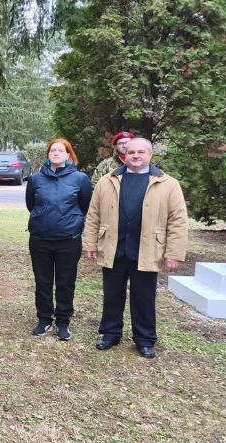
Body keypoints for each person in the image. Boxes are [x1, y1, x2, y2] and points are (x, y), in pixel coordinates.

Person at [83, 137, 188, 358]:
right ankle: (110, 334)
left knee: (144, 298)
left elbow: (178, 221)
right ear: (124, 155)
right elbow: (93, 216)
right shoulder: (107, 181)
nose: (136, 156)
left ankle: (145, 339)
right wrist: (90, 244)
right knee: (112, 295)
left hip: (147, 251)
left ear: (150, 155)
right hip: (114, 249)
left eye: (141, 152)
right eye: (131, 152)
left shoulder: (168, 184)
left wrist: (174, 253)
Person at [26, 139, 92, 340]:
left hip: (68, 240)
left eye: (60, 150)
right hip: (40, 239)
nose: (56, 153)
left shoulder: (80, 179)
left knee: (65, 282)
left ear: (68, 155)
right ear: (48, 155)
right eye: (52, 150)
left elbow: (84, 205)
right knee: (42, 281)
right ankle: (44, 319)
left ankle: (63, 321)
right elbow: (31, 204)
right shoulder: (35, 179)